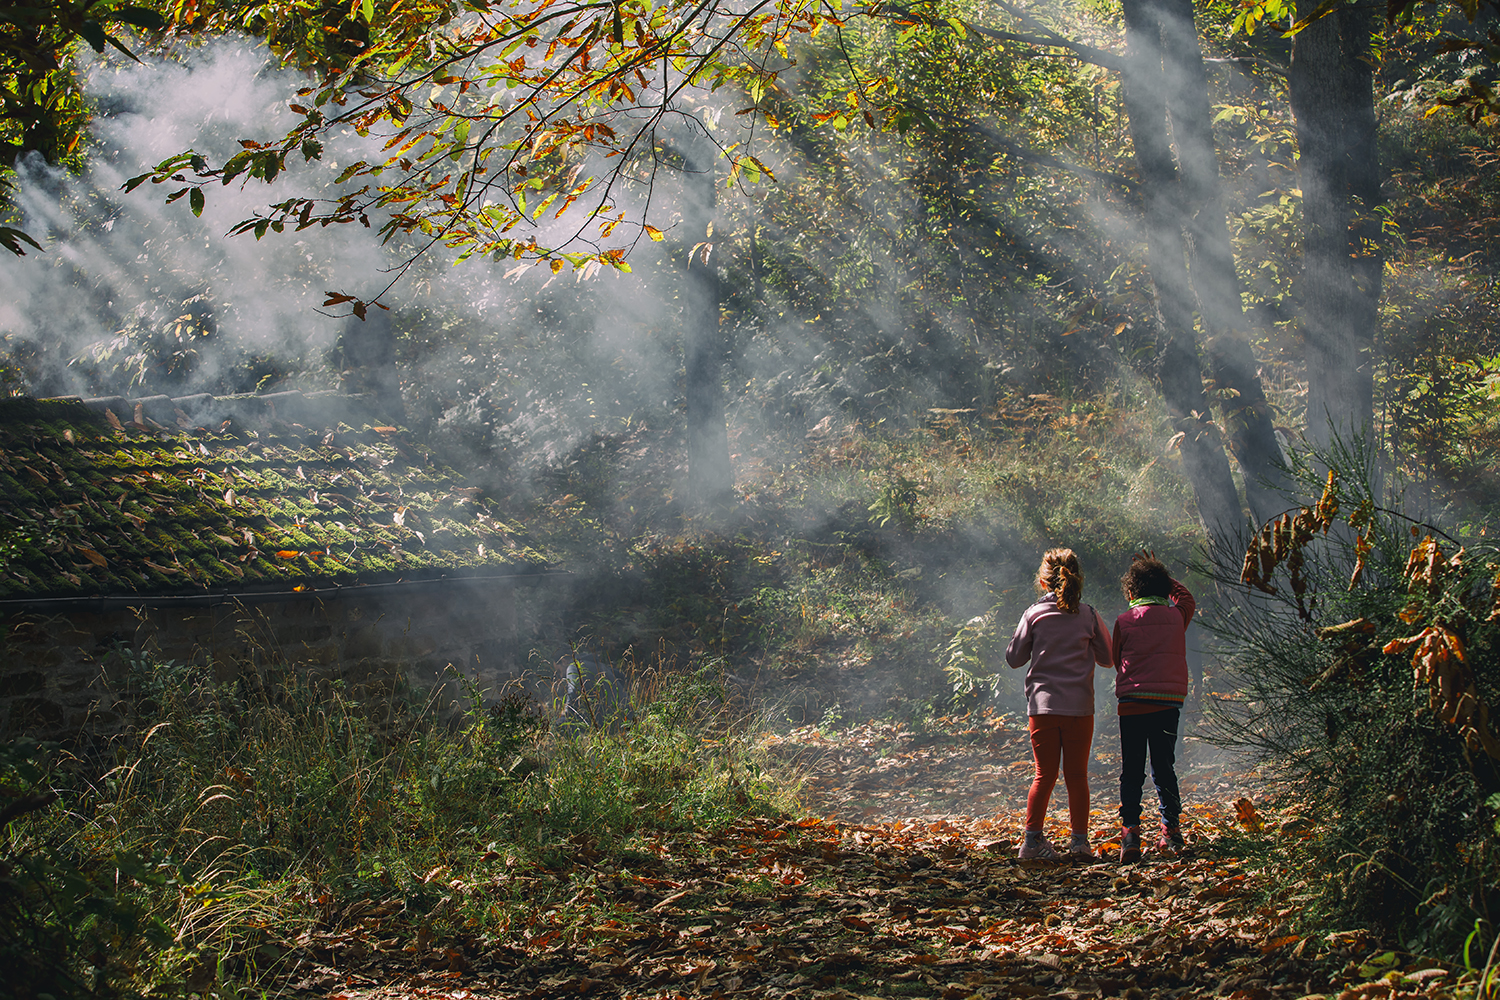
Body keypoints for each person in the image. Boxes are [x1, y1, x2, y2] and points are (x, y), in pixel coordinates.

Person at [1006, 548, 1114, 860]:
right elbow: (1108, 659)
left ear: (1042, 582)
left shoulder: (1034, 615)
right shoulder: (1089, 615)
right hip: (1080, 708)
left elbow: (1014, 658)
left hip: (1042, 708)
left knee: (1044, 775)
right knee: (1077, 776)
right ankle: (1079, 843)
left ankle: (1032, 842)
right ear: (1077, 579)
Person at [1111, 551, 1195, 862]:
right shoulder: (1177, 616)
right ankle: (1170, 831)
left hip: (1132, 705)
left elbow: (1112, 659)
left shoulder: (1124, 620)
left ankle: (1130, 833)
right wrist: (1164, 578)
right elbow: (1187, 599)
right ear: (1164, 589)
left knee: (1131, 771)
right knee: (1164, 767)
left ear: (1130, 593)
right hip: (1167, 704)